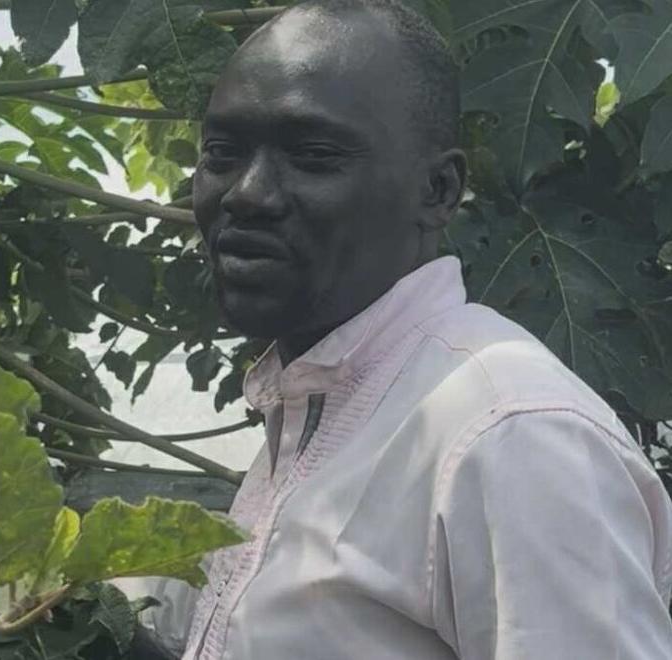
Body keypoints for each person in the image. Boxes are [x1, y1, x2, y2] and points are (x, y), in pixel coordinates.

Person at [132, 0, 672, 658]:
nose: (246, 192)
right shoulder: (323, 399)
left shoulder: (511, 436)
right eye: (222, 152)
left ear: (438, 190)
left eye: (313, 155)